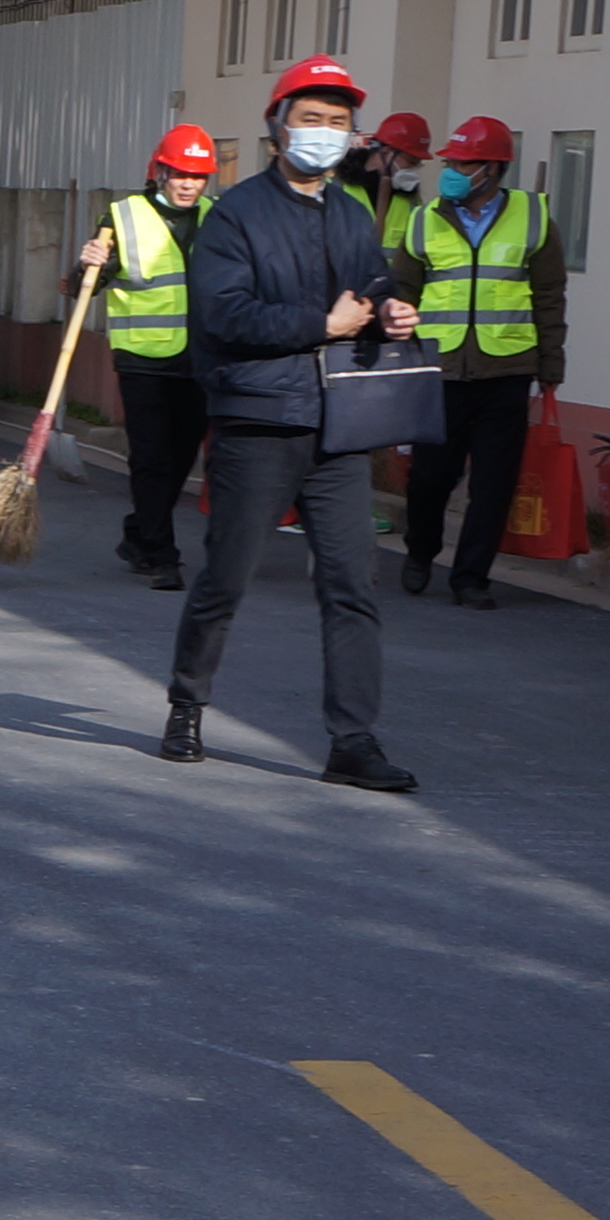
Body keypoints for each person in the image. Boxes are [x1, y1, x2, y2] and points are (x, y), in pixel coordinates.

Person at [161, 55, 421, 792]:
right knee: (226, 577)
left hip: (338, 426)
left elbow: (370, 283)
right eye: (311, 119)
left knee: (352, 586)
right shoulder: (235, 214)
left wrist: (390, 310)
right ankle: (187, 705)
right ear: (278, 127)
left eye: (338, 122)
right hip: (258, 420)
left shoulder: (351, 212)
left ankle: (353, 741)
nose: (324, 133)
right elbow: (225, 315)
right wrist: (321, 325)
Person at [385, 115, 563, 609]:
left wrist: (552, 362)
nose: (453, 172)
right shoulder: (424, 219)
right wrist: (397, 352)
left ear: (493, 168)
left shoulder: (533, 218)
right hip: (439, 371)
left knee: (493, 483)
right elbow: (403, 291)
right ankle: (420, 548)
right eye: (451, 163)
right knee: (430, 476)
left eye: (464, 164)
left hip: (506, 369)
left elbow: (550, 296)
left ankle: (471, 578)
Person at [78, 124, 223, 590]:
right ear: (160, 172)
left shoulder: (218, 217)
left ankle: (140, 532)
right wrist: (88, 264)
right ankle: (162, 556)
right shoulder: (123, 216)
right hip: (142, 357)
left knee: (181, 456)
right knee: (151, 456)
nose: (189, 184)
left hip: (198, 358)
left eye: (198, 176)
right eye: (180, 174)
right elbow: (84, 285)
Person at [343, 112, 433, 235]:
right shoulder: (337, 187)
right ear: (386, 150)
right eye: (410, 161)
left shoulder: (411, 201)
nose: (412, 169)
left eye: (417, 164)